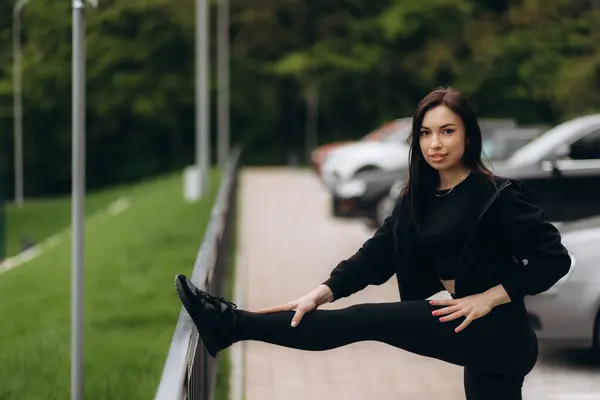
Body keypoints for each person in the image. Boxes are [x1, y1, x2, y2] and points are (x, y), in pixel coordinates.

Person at [174, 87, 571, 400]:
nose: (435, 143)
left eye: (447, 131)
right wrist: (322, 292)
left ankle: (229, 324)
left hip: (500, 332)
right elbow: (377, 256)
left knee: (364, 320)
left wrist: (491, 296)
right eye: (425, 133)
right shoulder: (417, 197)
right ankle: (229, 325)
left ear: (469, 136)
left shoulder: (498, 196)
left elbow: (553, 259)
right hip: (469, 331)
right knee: (358, 318)